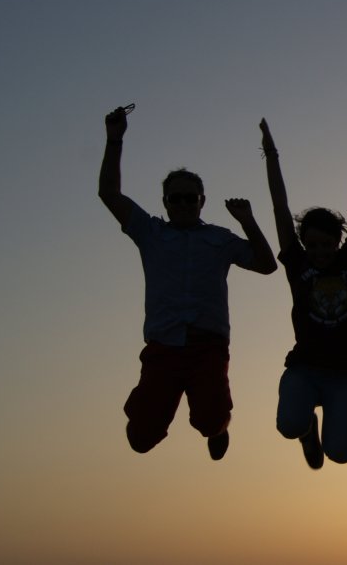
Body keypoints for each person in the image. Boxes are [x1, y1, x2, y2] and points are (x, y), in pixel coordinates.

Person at [97, 104, 277, 460]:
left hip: (206, 347)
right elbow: (109, 194)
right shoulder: (150, 232)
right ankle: (154, 410)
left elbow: (266, 265)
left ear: (201, 201)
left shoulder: (219, 238)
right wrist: (114, 140)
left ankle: (218, 431)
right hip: (163, 348)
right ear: (165, 202)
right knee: (139, 440)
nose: (182, 204)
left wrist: (248, 222)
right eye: (174, 198)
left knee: (211, 421)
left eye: (189, 198)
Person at [259, 116, 347, 470]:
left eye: (326, 244)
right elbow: (279, 206)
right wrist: (270, 152)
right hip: (305, 370)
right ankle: (308, 427)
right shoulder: (297, 263)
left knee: (340, 453)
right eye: (312, 244)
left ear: (338, 242)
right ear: (304, 243)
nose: (320, 251)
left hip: (344, 376)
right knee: (289, 425)